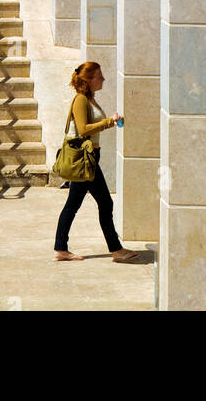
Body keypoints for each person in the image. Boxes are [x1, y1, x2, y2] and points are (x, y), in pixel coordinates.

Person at [54, 61, 139, 262]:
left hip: (90, 158)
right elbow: (83, 129)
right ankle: (116, 250)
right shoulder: (81, 100)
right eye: (99, 76)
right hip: (85, 160)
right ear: (89, 80)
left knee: (76, 204)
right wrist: (110, 121)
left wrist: (110, 122)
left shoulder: (89, 99)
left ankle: (61, 248)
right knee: (102, 202)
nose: (103, 79)